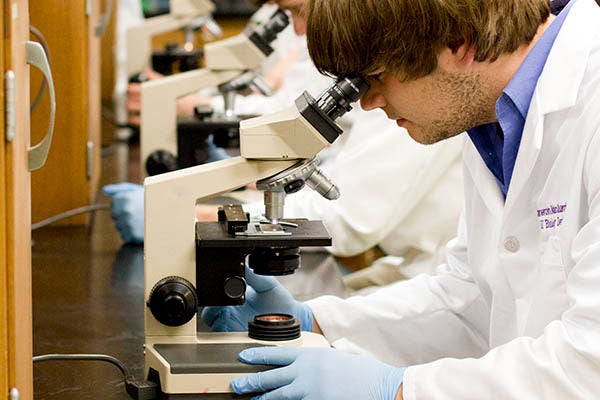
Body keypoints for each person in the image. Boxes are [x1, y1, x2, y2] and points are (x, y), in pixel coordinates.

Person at [201, 0, 600, 399]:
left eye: (375, 77)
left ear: (458, 43)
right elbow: (471, 299)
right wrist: (314, 322)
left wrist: (397, 390)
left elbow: (589, 364)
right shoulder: (493, 116)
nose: (368, 102)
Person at [105, 0, 465, 292]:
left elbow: (348, 220)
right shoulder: (392, 83)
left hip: (427, 283)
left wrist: (193, 214)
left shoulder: (423, 94)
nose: (297, 31)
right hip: (416, 278)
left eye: (299, 12)